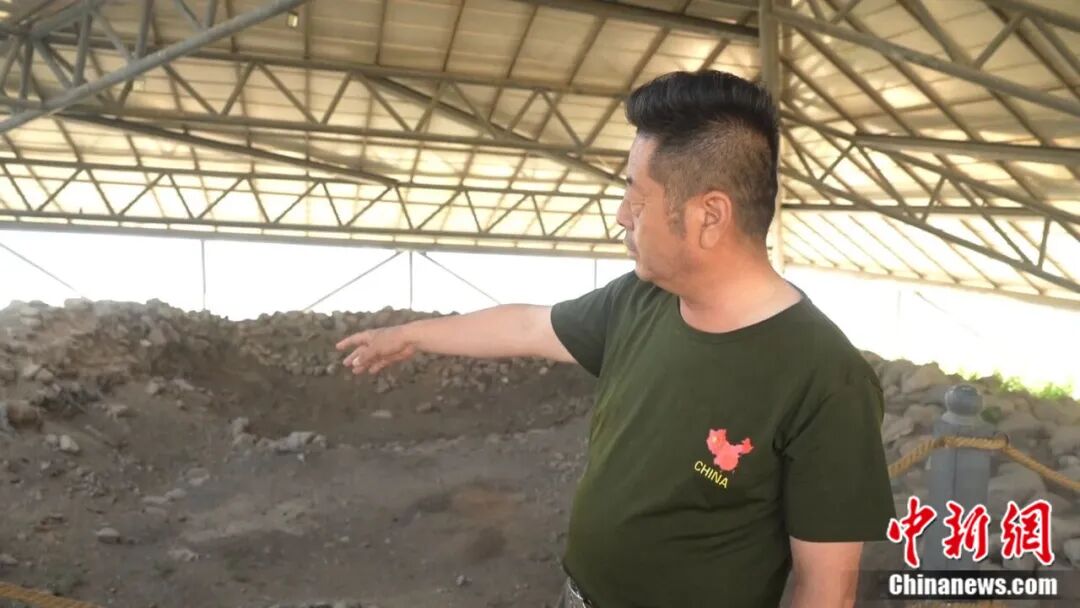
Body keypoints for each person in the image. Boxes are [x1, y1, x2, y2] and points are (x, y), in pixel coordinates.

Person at [336, 70, 895, 608]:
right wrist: (410, 334)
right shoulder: (639, 300)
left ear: (710, 216)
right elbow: (530, 325)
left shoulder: (826, 378)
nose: (622, 216)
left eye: (637, 196)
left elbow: (827, 590)